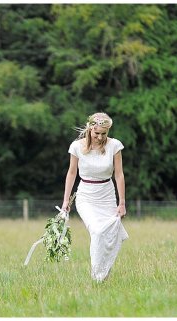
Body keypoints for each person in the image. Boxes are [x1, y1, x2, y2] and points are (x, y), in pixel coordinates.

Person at [61, 112, 129, 282]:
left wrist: (122, 203)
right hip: (86, 196)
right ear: (90, 129)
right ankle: (97, 276)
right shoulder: (77, 147)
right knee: (98, 232)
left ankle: (104, 275)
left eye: (103, 134)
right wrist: (66, 200)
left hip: (107, 195)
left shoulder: (115, 146)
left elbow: (119, 175)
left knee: (109, 234)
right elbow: (71, 173)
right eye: (96, 133)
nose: (99, 137)